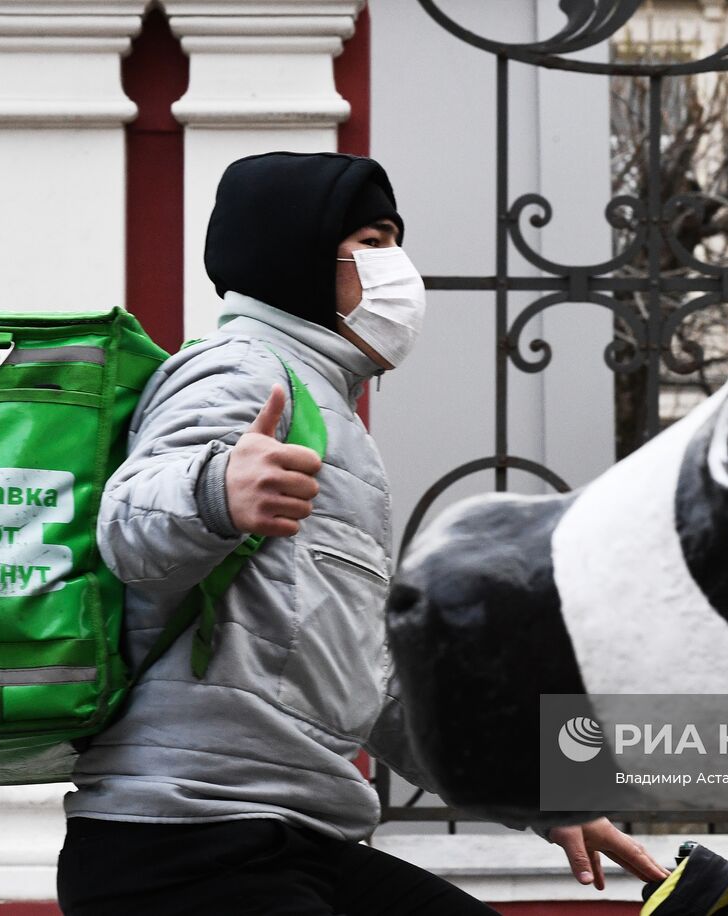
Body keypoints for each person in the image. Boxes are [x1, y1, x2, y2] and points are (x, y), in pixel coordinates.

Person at [57, 151, 666, 914]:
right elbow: (125, 528)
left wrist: (543, 797)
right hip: (185, 838)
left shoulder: (329, 410)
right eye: (374, 241)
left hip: (294, 832)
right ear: (297, 251)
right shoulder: (240, 369)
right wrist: (215, 489)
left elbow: (375, 682)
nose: (396, 267)